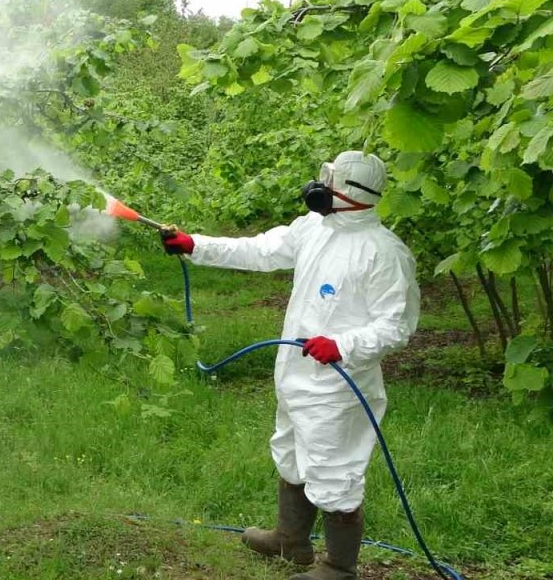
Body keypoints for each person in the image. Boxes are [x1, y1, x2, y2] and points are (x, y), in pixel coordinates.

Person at [160, 151, 420, 580]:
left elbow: (396, 326)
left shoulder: (384, 253)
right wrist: (195, 245)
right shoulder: (314, 228)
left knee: (334, 471)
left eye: (329, 178)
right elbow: (260, 249)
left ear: (350, 191)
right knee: (291, 452)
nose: (318, 184)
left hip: (340, 386)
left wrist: (342, 344)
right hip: (296, 374)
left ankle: (339, 567)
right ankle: (290, 540)